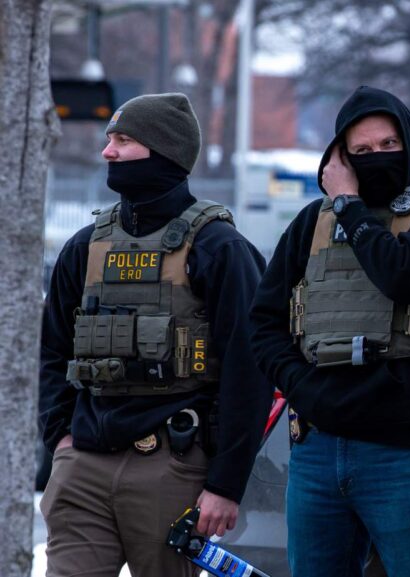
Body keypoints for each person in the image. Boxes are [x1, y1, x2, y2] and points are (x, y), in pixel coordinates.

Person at [38, 93, 272, 576]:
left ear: (164, 152)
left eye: (124, 141)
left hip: (172, 465)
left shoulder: (219, 248)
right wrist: (60, 439)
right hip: (84, 464)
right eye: (110, 140)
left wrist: (225, 484)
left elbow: (248, 374)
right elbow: (53, 350)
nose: (108, 153)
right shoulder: (85, 246)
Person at [249, 85, 410, 577]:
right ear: (341, 156)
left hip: (405, 455)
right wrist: (304, 388)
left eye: (388, 146)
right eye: (363, 151)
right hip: (317, 450)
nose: (377, 158)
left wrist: (350, 206)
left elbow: (403, 275)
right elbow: (263, 323)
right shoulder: (313, 222)